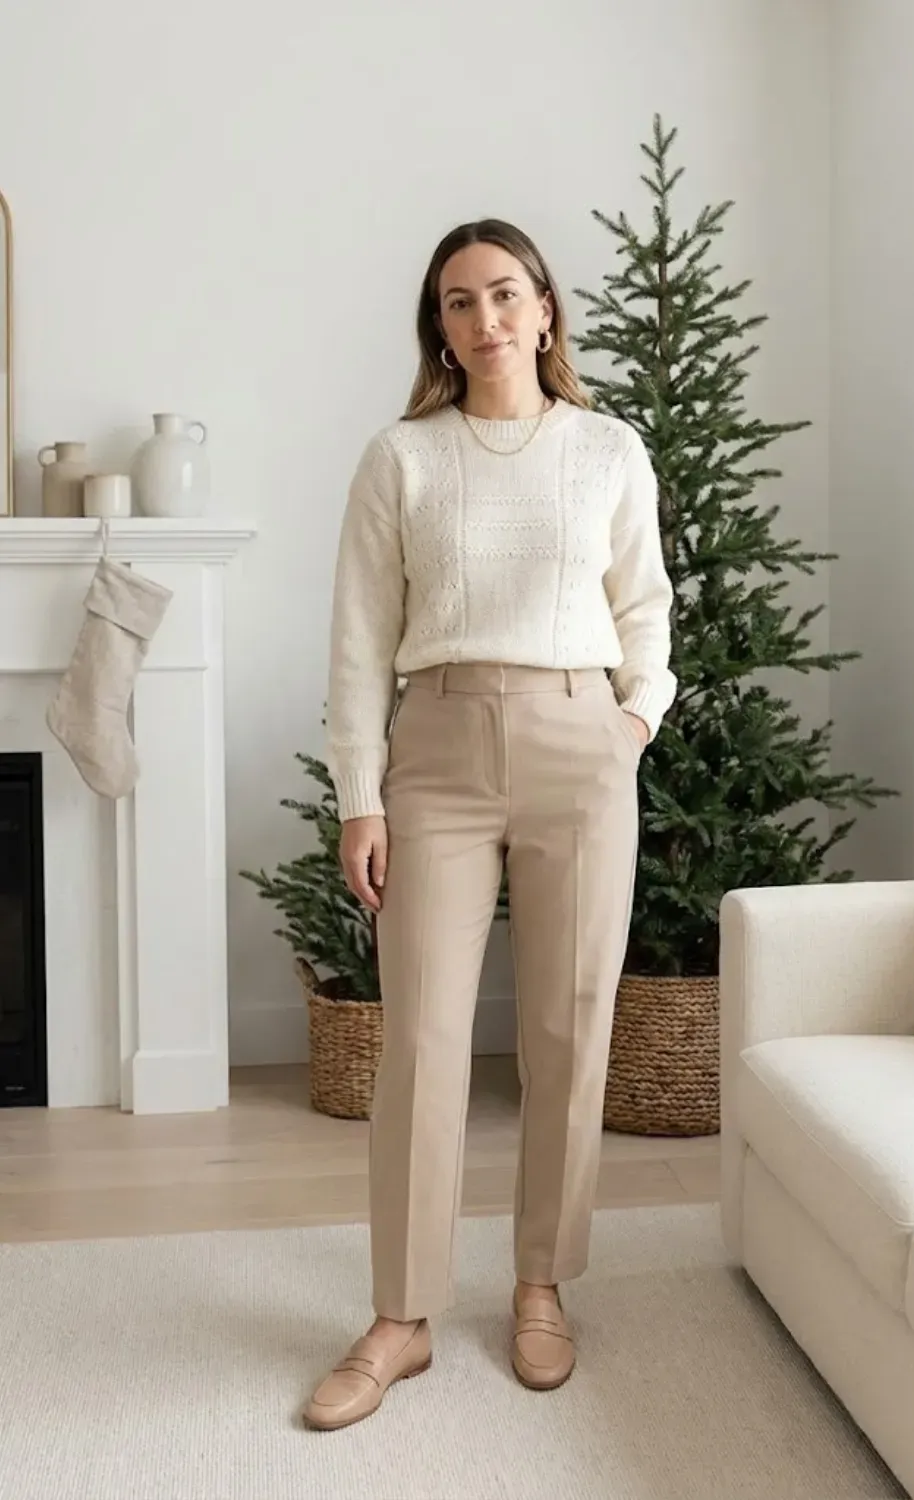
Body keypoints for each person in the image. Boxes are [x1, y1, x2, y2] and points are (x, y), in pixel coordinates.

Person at [304, 219, 676, 1431]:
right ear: (440, 330)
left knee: (569, 1029)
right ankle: (402, 1316)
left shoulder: (609, 449)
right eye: (458, 303)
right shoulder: (401, 458)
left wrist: (629, 725)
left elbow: (644, 607)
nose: (485, 320)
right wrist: (360, 791)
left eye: (504, 294)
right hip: (441, 748)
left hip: (581, 743)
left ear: (545, 309)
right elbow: (359, 640)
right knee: (420, 1036)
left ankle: (540, 1285)